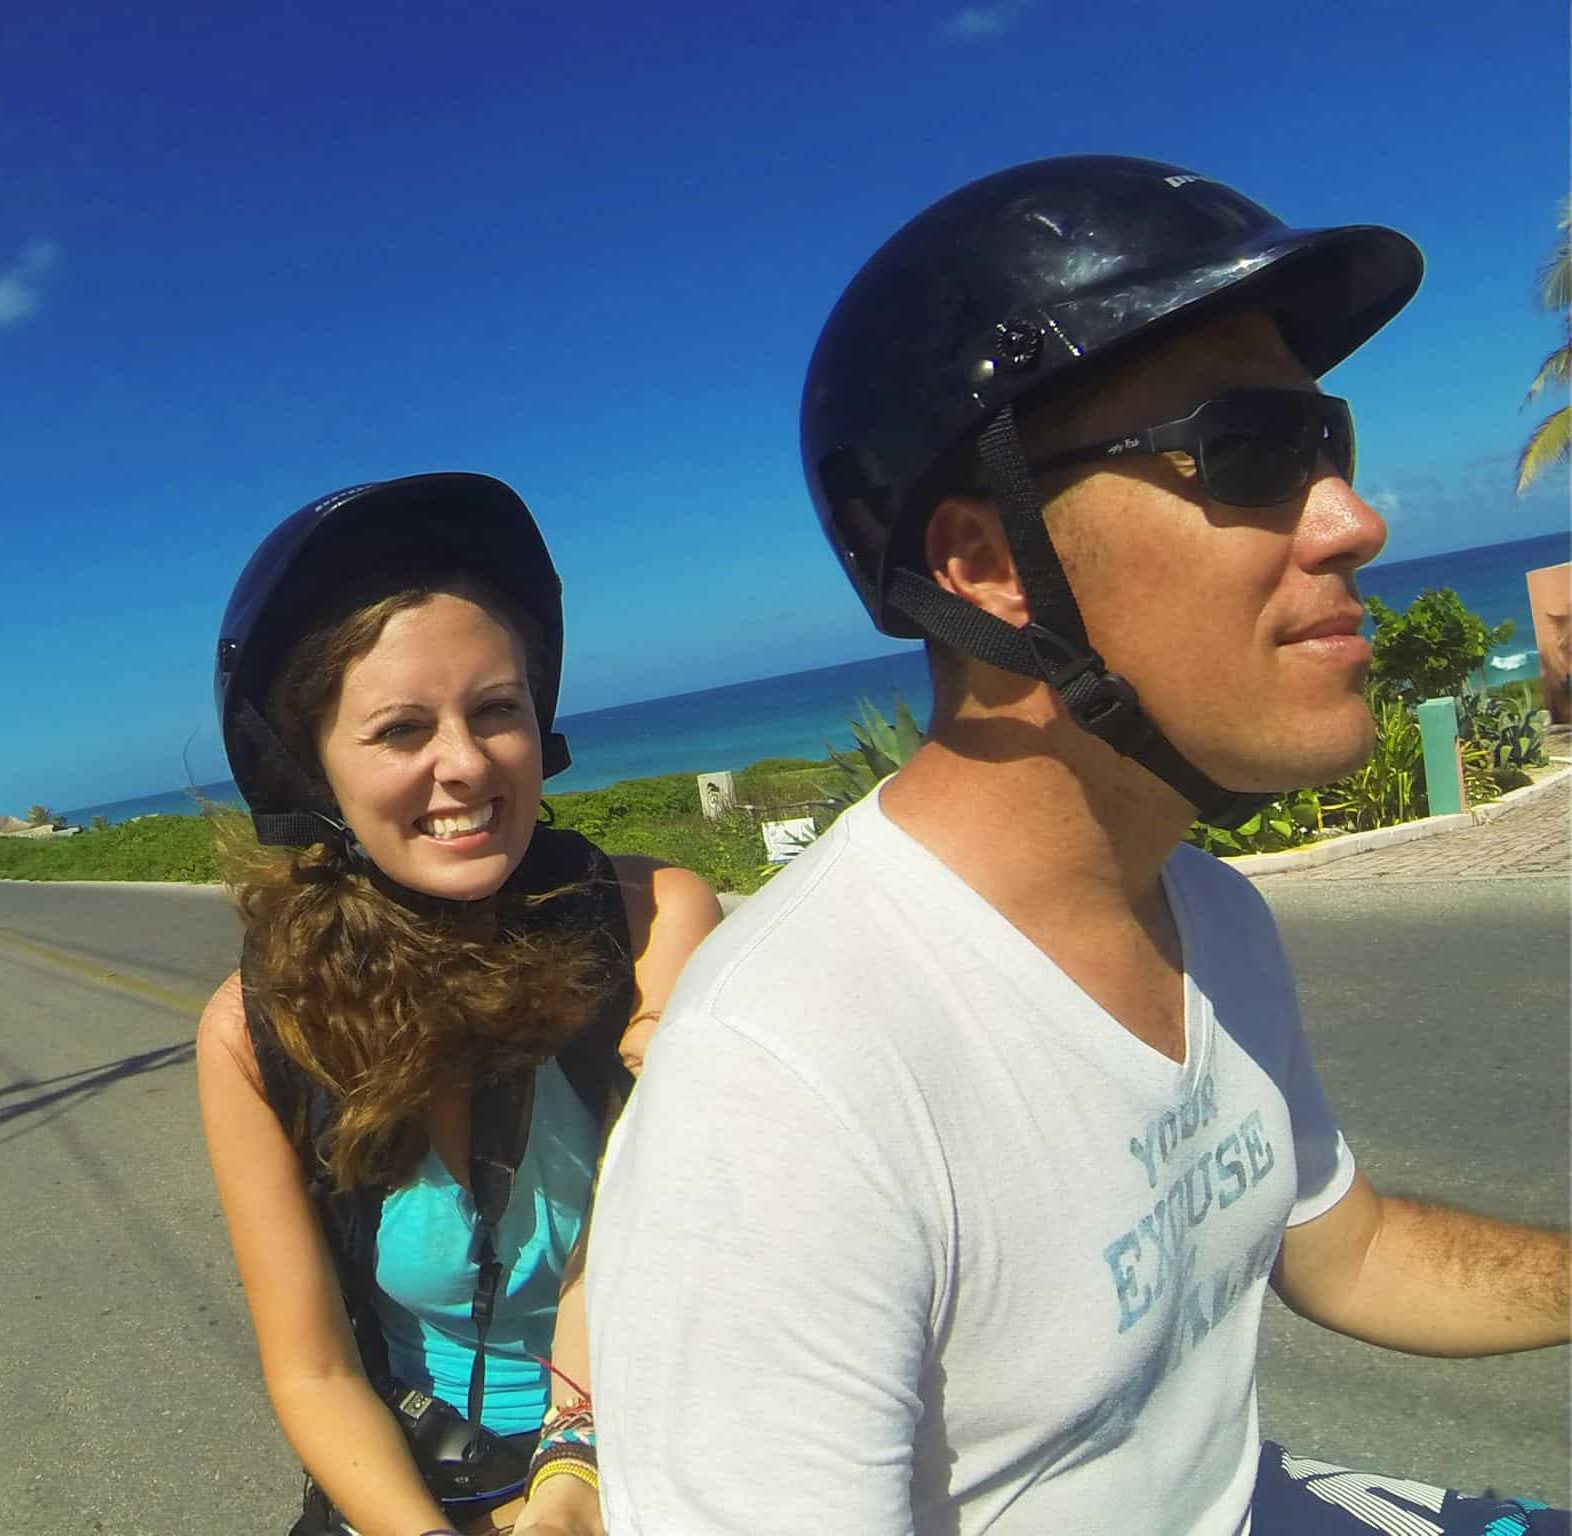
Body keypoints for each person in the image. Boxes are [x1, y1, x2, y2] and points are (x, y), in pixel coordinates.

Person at [586, 156, 1571, 1535]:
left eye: (1327, 442)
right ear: (985, 562)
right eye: (1250, 451)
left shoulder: (1211, 914)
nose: (1355, 518)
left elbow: (1345, 1254)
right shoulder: (791, 1087)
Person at [195, 473, 723, 1536]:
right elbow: (313, 1370)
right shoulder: (261, 1031)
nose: (464, 765)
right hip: (419, 1479)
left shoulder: (649, 918)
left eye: (496, 711)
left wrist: (573, 1472)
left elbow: (646, 1230)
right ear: (316, 773)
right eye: (398, 731)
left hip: (656, 1438)